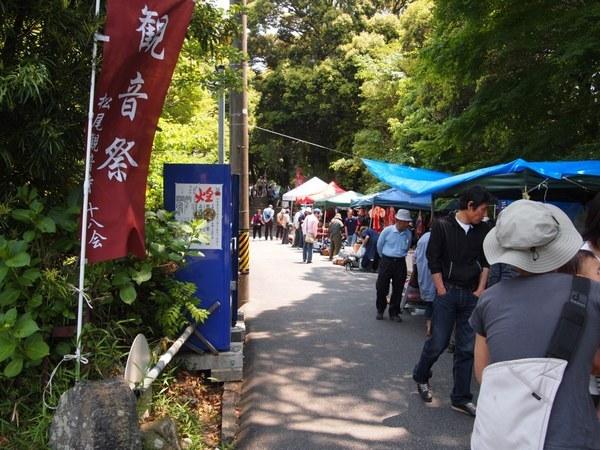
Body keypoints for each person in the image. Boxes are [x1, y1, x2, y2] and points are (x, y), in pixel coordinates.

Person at [471, 199, 600, 448]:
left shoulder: (489, 299)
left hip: (502, 436)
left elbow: (482, 373)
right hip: (570, 433)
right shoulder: (592, 294)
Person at [412, 185, 493, 416]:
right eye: (482, 209)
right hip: (447, 292)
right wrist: (440, 289)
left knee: (467, 348)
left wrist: (480, 289)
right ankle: (421, 375)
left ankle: (461, 398)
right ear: (469, 206)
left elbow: (486, 262)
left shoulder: (483, 229)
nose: (483, 214)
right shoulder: (442, 226)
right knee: (438, 342)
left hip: (471, 295)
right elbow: (433, 260)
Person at [375, 209, 413, 322]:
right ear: (397, 220)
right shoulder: (387, 231)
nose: (406, 224)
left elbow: (407, 247)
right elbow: (379, 246)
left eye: (407, 222)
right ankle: (380, 309)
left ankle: (394, 312)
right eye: (404, 221)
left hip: (400, 262)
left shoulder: (408, 233)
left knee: (398, 288)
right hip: (386, 260)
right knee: (382, 287)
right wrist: (384, 258)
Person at [415, 231, 436, 336]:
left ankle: (429, 326)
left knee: (430, 302)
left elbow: (415, 256)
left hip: (424, 271)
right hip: (436, 273)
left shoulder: (424, 238)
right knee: (437, 301)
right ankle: (433, 326)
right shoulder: (442, 237)